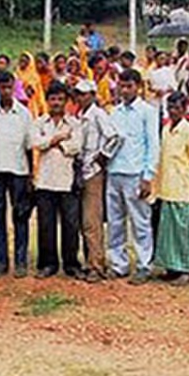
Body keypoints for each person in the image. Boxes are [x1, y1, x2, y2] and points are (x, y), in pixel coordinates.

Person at [106, 68, 160, 285]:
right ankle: (118, 265)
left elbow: (153, 145)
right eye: (122, 86)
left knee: (140, 221)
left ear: (138, 86)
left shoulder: (147, 111)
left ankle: (144, 265)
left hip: (135, 174)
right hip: (114, 172)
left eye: (129, 86)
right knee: (115, 222)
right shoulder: (114, 112)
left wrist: (148, 176)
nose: (125, 90)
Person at [30, 81, 83, 279]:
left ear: (66, 101)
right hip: (44, 180)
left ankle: (71, 264)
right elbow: (36, 142)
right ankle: (48, 264)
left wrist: (53, 142)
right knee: (46, 224)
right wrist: (59, 138)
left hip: (67, 181)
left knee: (70, 224)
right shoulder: (39, 122)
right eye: (53, 99)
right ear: (47, 100)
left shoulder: (74, 123)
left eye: (60, 99)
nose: (56, 103)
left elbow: (76, 147)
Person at [0, 71, 34, 278]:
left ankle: (21, 262)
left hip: (19, 170)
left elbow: (30, 147)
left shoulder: (24, 113)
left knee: (20, 215)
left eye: (9, 87)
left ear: (14, 87)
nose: (6, 91)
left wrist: (31, 175)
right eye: (2, 87)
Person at [74, 78, 121, 282]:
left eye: (84, 94)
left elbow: (116, 136)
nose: (80, 97)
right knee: (85, 221)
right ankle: (90, 261)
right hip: (81, 171)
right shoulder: (80, 116)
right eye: (78, 94)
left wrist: (103, 155)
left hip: (93, 172)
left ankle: (96, 265)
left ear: (93, 95)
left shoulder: (98, 114)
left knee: (91, 221)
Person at [156, 92, 189, 284]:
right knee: (168, 231)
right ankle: (171, 267)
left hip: (182, 187)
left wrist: (188, 179)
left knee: (183, 230)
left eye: (176, 108)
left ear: (184, 109)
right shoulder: (166, 129)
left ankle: (185, 269)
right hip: (166, 187)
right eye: (170, 108)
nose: (172, 111)